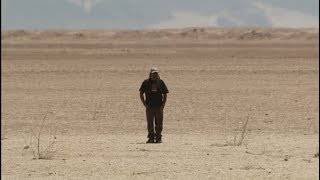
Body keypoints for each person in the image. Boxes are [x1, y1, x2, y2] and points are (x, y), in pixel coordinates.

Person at [139, 67, 169, 143]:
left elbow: (165, 94)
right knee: (150, 123)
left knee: (159, 123)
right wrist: (144, 104)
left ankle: (158, 138)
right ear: (150, 74)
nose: (154, 75)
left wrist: (163, 105)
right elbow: (141, 93)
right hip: (149, 106)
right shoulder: (146, 82)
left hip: (159, 106)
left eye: (156, 73)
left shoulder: (161, 82)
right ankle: (151, 138)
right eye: (153, 74)